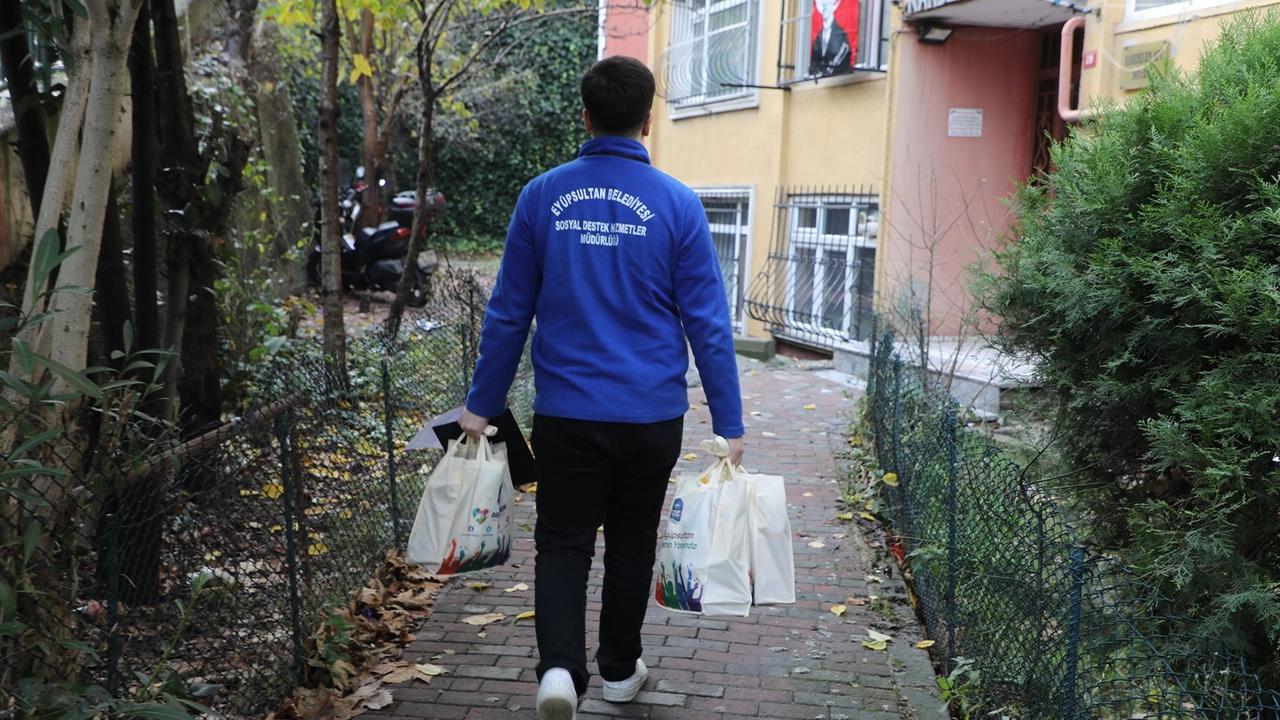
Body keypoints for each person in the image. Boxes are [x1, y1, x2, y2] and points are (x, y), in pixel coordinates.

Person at [458, 55, 745, 720]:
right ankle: (619, 671)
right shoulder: (677, 204)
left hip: (566, 413)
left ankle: (559, 670)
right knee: (632, 540)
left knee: (562, 541)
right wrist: (728, 422)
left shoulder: (541, 196)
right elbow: (706, 320)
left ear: (585, 116)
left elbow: (508, 310)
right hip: (651, 415)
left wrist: (481, 405)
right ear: (648, 120)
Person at [810, 0, 852, 77]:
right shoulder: (818, 38)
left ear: (833, 7)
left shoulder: (841, 37)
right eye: (823, 5)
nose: (825, 8)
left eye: (828, 5)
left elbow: (844, 66)